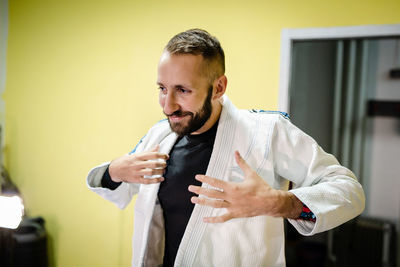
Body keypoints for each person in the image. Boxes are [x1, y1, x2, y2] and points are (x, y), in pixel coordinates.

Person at [87, 29, 365, 267]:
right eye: (162, 88)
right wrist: (115, 170)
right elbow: (116, 187)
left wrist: (279, 203)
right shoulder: (159, 135)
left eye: (183, 90)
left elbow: (349, 191)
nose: (168, 105)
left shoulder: (267, 133)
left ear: (218, 87)